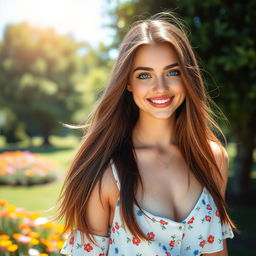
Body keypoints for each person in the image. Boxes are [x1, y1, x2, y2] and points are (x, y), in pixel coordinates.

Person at [57, 11, 237, 256]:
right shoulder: (107, 171)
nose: (160, 87)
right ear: (128, 83)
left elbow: (217, 251)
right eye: (144, 75)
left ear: (188, 77)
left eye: (173, 72)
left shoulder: (213, 158)